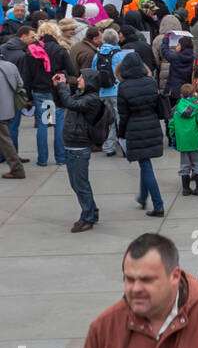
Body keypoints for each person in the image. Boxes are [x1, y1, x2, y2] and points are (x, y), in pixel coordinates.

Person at [115, 52, 169, 217]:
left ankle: (158, 204)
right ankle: (143, 196)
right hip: (152, 125)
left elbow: (123, 115)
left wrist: (121, 134)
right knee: (145, 163)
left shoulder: (123, 87)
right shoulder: (150, 82)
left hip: (134, 128)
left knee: (145, 165)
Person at [53, 68, 104, 231]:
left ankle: (87, 218)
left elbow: (71, 104)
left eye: (82, 78)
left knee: (80, 184)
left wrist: (63, 86)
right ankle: (92, 211)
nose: (79, 80)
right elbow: (63, 102)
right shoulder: (81, 95)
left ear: (90, 82)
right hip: (72, 144)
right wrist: (58, 86)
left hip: (79, 146)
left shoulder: (92, 99)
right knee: (77, 184)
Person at [20, 22, 74, 167]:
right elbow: (72, 70)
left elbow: (26, 77)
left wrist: (28, 97)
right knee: (58, 124)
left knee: (43, 124)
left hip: (41, 92)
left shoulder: (31, 51)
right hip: (58, 92)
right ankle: (60, 158)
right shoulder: (60, 50)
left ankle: (43, 158)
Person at [168, 83, 198, 198]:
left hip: (182, 141)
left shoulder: (176, 109)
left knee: (184, 165)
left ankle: (186, 189)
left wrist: (173, 137)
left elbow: (171, 124)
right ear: (194, 94)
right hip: (196, 141)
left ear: (181, 95)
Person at [0, 51, 24, 178]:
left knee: (5, 141)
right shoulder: (11, 66)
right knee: (5, 139)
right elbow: (20, 84)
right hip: (9, 109)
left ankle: (17, 168)